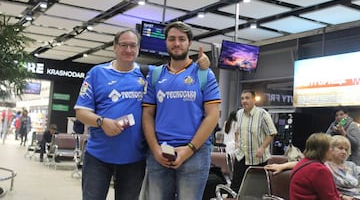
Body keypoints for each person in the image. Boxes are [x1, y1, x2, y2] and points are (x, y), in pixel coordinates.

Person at [74, 28, 211, 200]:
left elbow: (177, 72)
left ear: (138, 48)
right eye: (124, 45)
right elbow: (81, 112)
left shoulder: (150, 74)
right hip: (98, 157)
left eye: (133, 45)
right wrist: (101, 122)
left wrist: (201, 66)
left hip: (134, 159)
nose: (129, 50)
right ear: (114, 47)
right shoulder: (97, 73)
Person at [142, 21, 221, 200]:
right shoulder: (155, 75)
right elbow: (147, 115)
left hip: (195, 153)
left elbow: (212, 115)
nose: (176, 43)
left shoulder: (204, 74)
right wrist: (154, 148)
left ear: (189, 43)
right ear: (166, 42)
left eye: (181, 39)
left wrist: (189, 149)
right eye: (172, 39)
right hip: (160, 152)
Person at [230, 89, 277, 192]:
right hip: (241, 156)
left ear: (254, 100)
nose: (244, 101)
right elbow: (237, 131)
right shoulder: (239, 114)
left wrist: (262, 148)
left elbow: (272, 133)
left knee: (255, 189)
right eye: (242, 98)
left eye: (247, 98)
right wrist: (236, 143)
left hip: (257, 158)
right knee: (236, 187)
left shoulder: (262, 114)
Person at [289, 133, 353, 200]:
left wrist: (341, 196)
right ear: (323, 150)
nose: (332, 150)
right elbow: (330, 198)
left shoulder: (304, 162)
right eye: (331, 147)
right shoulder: (319, 170)